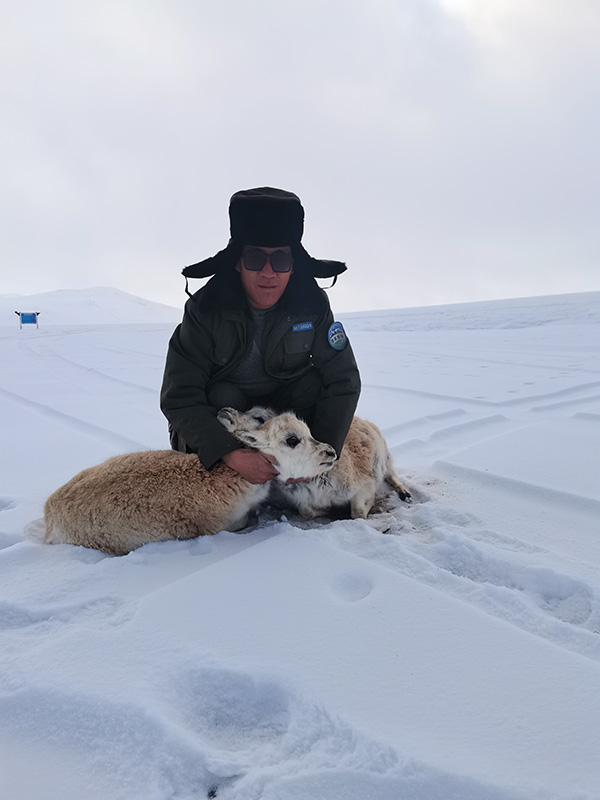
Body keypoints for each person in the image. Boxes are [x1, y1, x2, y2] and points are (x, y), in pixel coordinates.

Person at [160, 186, 361, 485]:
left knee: (312, 384)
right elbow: (179, 395)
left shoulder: (312, 305)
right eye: (255, 259)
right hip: (231, 416)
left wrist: (316, 457)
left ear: (292, 267)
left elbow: (343, 381)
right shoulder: (205, 309)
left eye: (280, 260)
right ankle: (235, 471)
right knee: (221, 395)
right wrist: (229, 453)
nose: (268, 273)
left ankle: (290, 470)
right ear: (238, 262)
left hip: (283, 415)